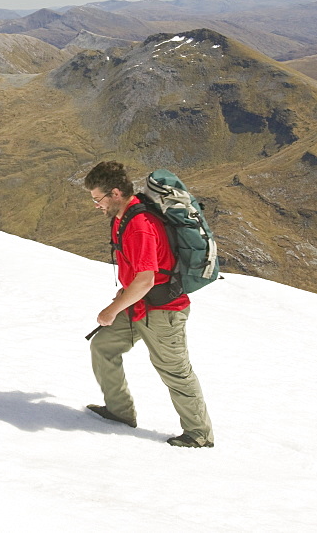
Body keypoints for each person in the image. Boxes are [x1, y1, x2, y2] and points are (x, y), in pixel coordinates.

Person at [83, 161, 214, 448]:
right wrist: (122, 298)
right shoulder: (123, 215)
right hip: (138, 306)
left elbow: (146, 280)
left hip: (163, 311)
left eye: (98, 198)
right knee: (103, 346)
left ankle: (199, 435)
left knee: (175, 372)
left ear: (115, 193)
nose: (96, 205)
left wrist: (111, 310)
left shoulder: (139, 226)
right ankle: (120, 412)